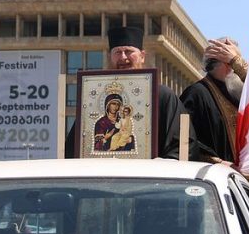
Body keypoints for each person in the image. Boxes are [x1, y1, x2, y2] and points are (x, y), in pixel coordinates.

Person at [67, 26, 198, 160]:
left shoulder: (161, 96)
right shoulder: (92, 99)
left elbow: (183, 144)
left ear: (142, 56)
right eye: (117, 52)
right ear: (109, 57)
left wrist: (162, 164)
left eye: (129, 51)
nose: (123, 57)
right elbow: (75, 148)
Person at [180, 37, 247, 166]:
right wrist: (219, 163)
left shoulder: (237, 93)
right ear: (227, 65)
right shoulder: (195, 94)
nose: (236, 69)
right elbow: (185, 142)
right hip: (213, 176)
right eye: (233, 63)